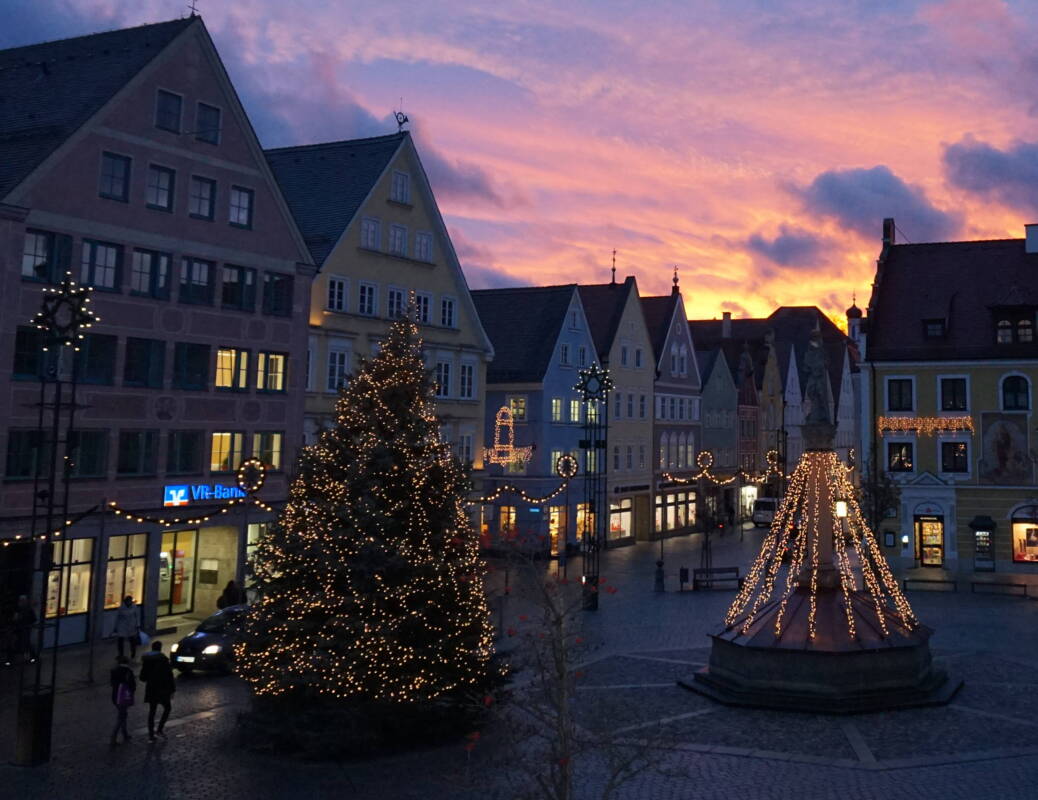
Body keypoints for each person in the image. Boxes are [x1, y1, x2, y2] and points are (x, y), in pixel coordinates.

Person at [139, 640, 176, 742]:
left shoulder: (147, 661)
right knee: (167, 708)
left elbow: (142, 678)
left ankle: (151, 734)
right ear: (160, 648)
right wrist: (172, 689)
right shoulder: (164, 660)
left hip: (151, 689)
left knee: (152, 711)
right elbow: (170, 676)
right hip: (163, 689)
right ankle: (159, 729)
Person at [110, 655, 136, 745]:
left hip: (115, 697)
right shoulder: (128, 671)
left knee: (123, 714)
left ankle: (125, 734)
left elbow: (112, 684)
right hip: (124, 697)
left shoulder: (114, 671)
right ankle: (113, 737)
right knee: (121, 717)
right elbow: (132, 686)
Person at [113, 595, 141, 660]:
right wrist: (115, 627)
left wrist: (137, 625)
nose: (130, 602)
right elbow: (117, 618)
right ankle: (121, 654)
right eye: (129, 601)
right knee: (120, 640)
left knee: (132, 640)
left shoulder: (134, 607)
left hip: (131, 626)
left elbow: (137, 616)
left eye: (130, 601)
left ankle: (133, 652)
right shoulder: (121, 608)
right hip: (122, 626)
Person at [14, 595, 36, 664]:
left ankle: (28, 657)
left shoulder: (22, 609)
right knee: (24, 642)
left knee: (25, 642)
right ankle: (29, 657)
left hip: (24, 627)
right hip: (23, 627)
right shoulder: (26, 608)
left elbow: (16, 618)